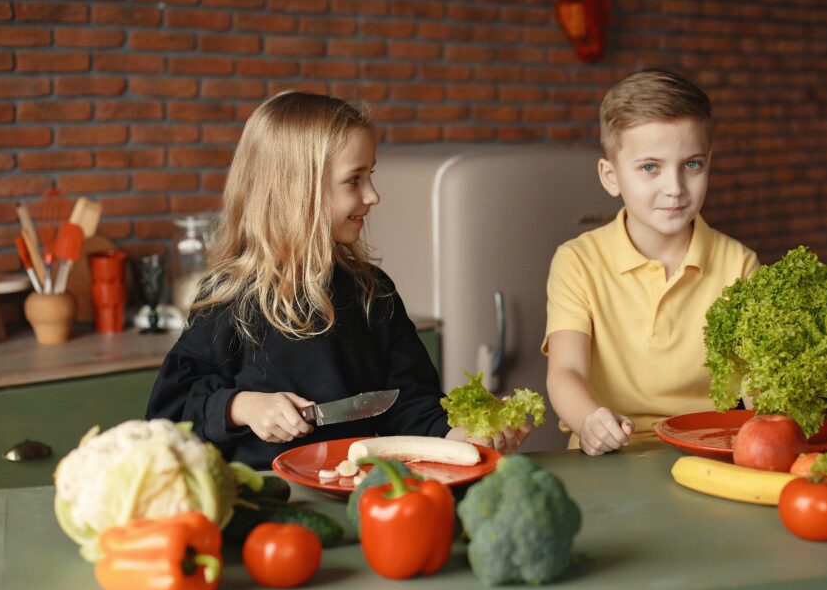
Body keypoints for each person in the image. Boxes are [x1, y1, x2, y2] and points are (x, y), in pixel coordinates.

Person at [146, 91, 529, 469]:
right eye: (354, 180)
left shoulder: (373, 293)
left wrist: (464, 437)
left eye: (370, 175)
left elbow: (411, 404)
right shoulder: (231, 297)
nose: (373, 195)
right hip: (269, 501)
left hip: (366, 492)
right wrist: (241, 407)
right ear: (298, 191)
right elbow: (169, 412)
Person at [543, 68, 760, 456]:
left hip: (708, 452)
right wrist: (589, 420)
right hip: (609, 454)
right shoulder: (577, 261)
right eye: (649, 168)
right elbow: (566, 372)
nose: (674, 188)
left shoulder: (740, 266)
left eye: (691, 164)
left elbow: (756, 388)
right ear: (611, 177)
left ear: (709, 163)